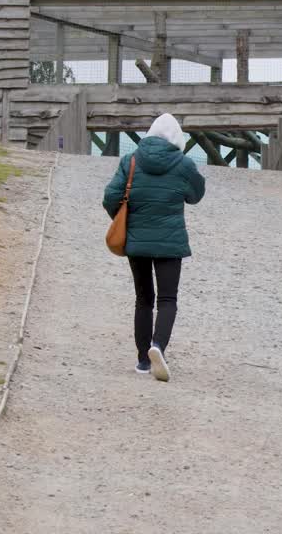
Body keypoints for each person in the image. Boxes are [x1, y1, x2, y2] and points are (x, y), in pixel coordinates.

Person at [103, 113, 206, 382]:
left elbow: (110, 197)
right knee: (168, 299)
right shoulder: (183, 164)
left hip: (136, 241)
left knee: (143, 299)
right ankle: (157, 347)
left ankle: (141, 361)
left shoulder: (131, 160)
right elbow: (196, 195)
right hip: (171, 243)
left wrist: (127, 219)